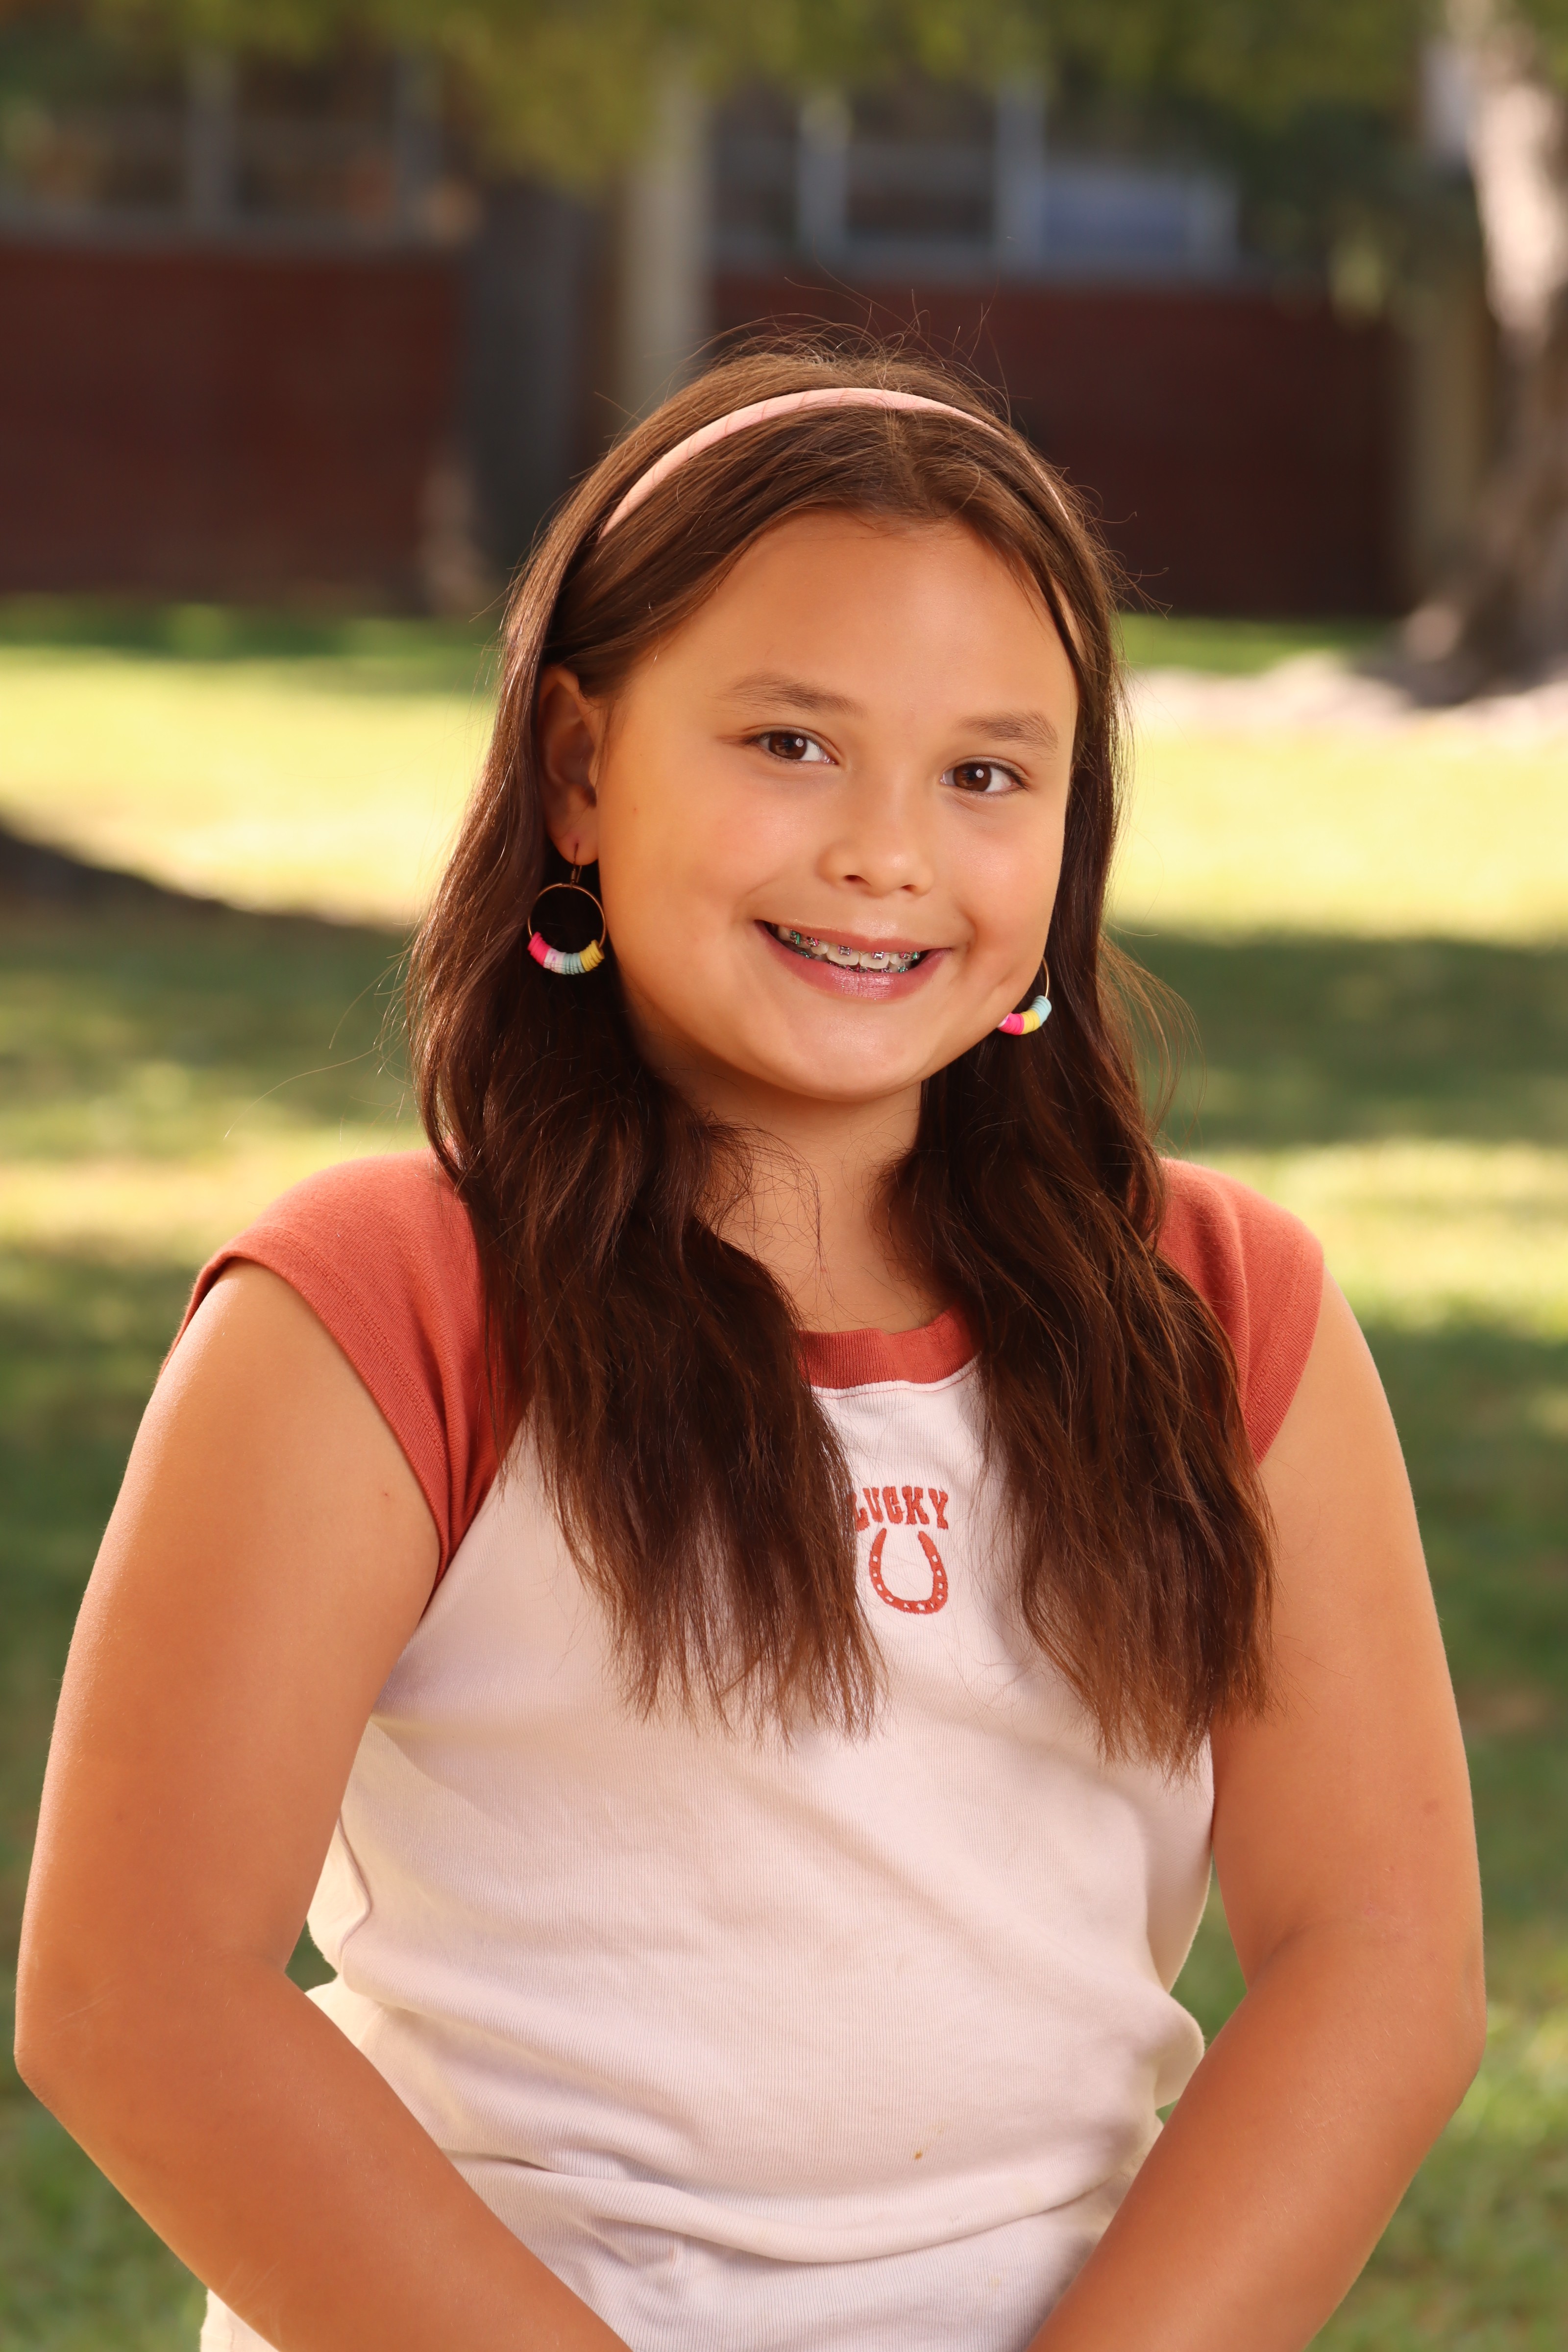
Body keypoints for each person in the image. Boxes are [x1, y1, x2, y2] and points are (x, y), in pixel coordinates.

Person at [17, 343, 1483, 2352]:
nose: (887, 850)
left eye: (986, 775)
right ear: (578, 765)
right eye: (791, 743)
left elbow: (1375, 1957)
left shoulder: (1225, 1311)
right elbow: (135, 1992)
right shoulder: (378, 1311)